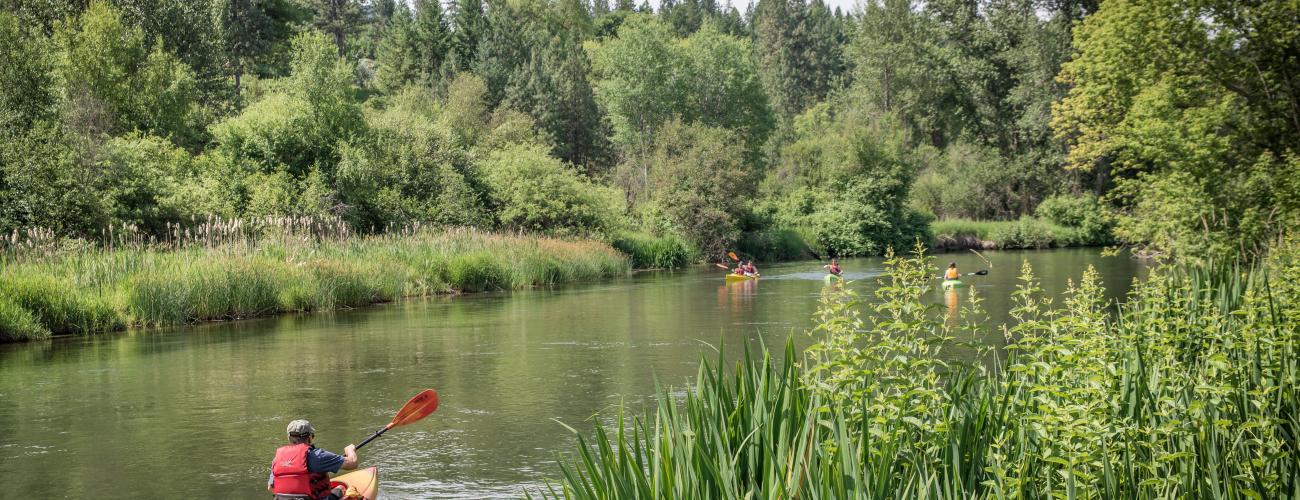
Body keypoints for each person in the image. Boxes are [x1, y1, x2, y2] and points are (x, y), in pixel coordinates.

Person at [268, 420, 359, 500]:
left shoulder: (277, 459)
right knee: (341, 488)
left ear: (289, 438)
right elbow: (352, 463)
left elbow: (271, 488)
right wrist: (350, 450)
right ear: (310, 437)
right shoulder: (317, 456)